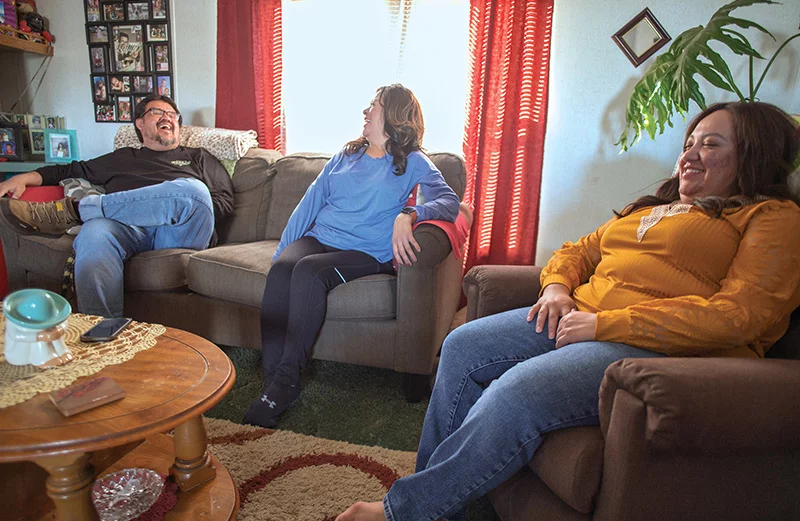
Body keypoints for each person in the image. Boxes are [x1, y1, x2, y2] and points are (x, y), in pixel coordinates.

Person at [336, 101, 800, 521]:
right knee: (461, 345)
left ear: (753, 156)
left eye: (711, 144)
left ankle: (404, 513)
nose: (689, 154)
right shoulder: (653, 209)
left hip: (653, 348)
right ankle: (443, 507)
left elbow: (742, 314)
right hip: (579, 316)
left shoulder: (771, 217)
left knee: (518, 392)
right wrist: (557, 288)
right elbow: (578, 251)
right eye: (689, 143)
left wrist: (604, 324)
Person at [243, 84, 460, 428]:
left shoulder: (414, 162)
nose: (365, 111)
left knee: (310, 273)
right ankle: (273, 384)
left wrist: (410, 213)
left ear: (393, 117)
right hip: (322, 237)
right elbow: (310, 203)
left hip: (366, 250)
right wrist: (284, 248)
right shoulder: (347, 155)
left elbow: (449, 202)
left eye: (373, 106)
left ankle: (286, 381)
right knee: (283, 269)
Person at [0, 94, 234, 319]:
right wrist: (22, 178)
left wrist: (170, 201)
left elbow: (224, 203)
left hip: (177, 232)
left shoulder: (199, 157)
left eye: (172, 114)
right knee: (94, 232)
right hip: (128, 230)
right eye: (157, 112)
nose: (167, 117)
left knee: (193, 191)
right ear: (140, 123)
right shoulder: (121, 159)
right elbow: (67, 170)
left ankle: (75, 211)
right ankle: (103, 333)